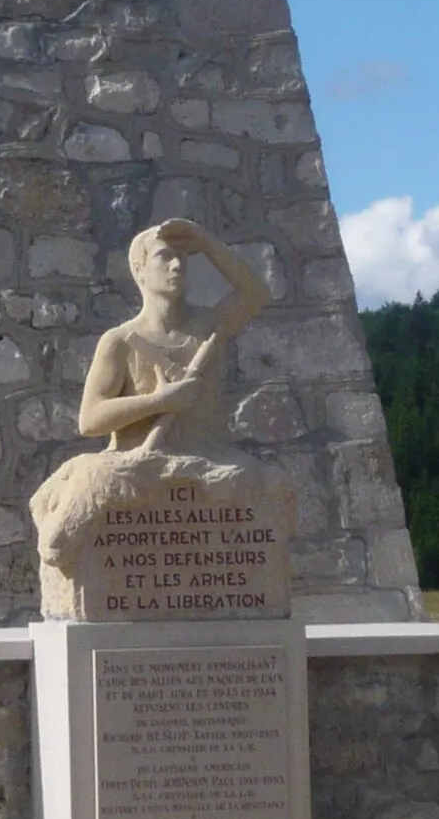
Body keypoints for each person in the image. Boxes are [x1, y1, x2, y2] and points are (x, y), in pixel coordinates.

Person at [28, 217, 283, 610]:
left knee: (269, 482)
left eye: (184, 259)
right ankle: (62, 537)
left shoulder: (208, 326)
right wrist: (158, 402)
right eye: (165, 257)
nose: (178, 266)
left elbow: (255, 292)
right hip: (137, 457)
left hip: (205, 457)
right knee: (96, 474)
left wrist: (207, 241)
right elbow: (90, 420)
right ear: (140, 269)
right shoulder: (120, 341)